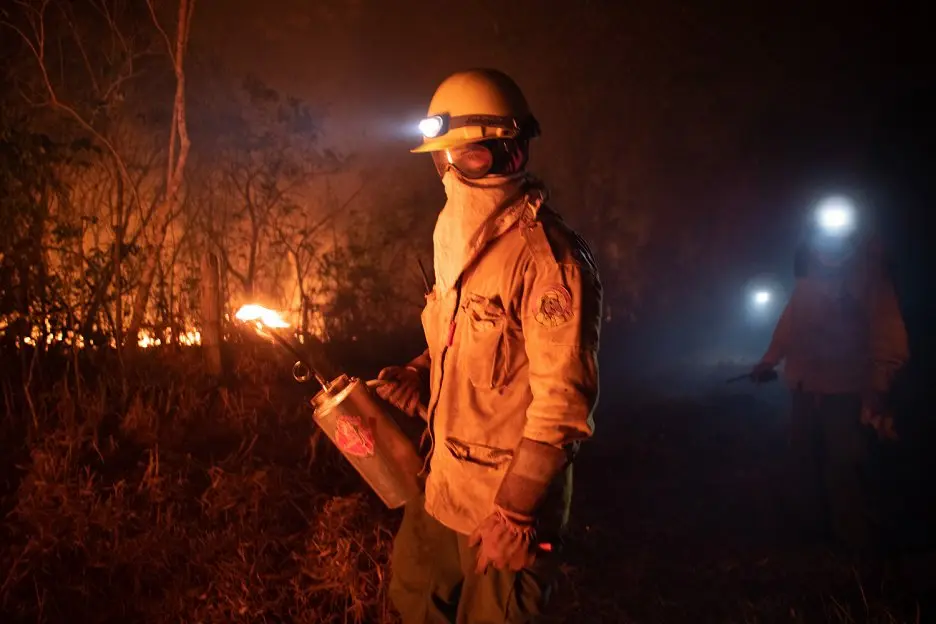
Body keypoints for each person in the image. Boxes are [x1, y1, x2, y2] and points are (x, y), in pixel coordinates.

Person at [375, 68, 602, 623]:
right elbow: (461, 336)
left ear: (512, 154)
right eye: (443, 155)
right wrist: (421, 372)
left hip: (502, 509)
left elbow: (563, 406)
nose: (452, 169)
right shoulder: (454, 235)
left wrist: (515, 513)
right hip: (441, 484)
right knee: (411, 605)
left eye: (471, 154)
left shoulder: (547, 261)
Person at [751, 198, 909, 555]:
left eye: (836, 238)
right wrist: (769, 360)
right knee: (804, 462)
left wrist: (878, 385)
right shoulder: (807, 283)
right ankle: (812, 538)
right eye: (822, 237)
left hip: (846, 391)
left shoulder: (870, 283)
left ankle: (854, 546)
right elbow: (789, 328)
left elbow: (888, 336)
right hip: (806, 389)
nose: (828, 246)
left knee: (844, 466)